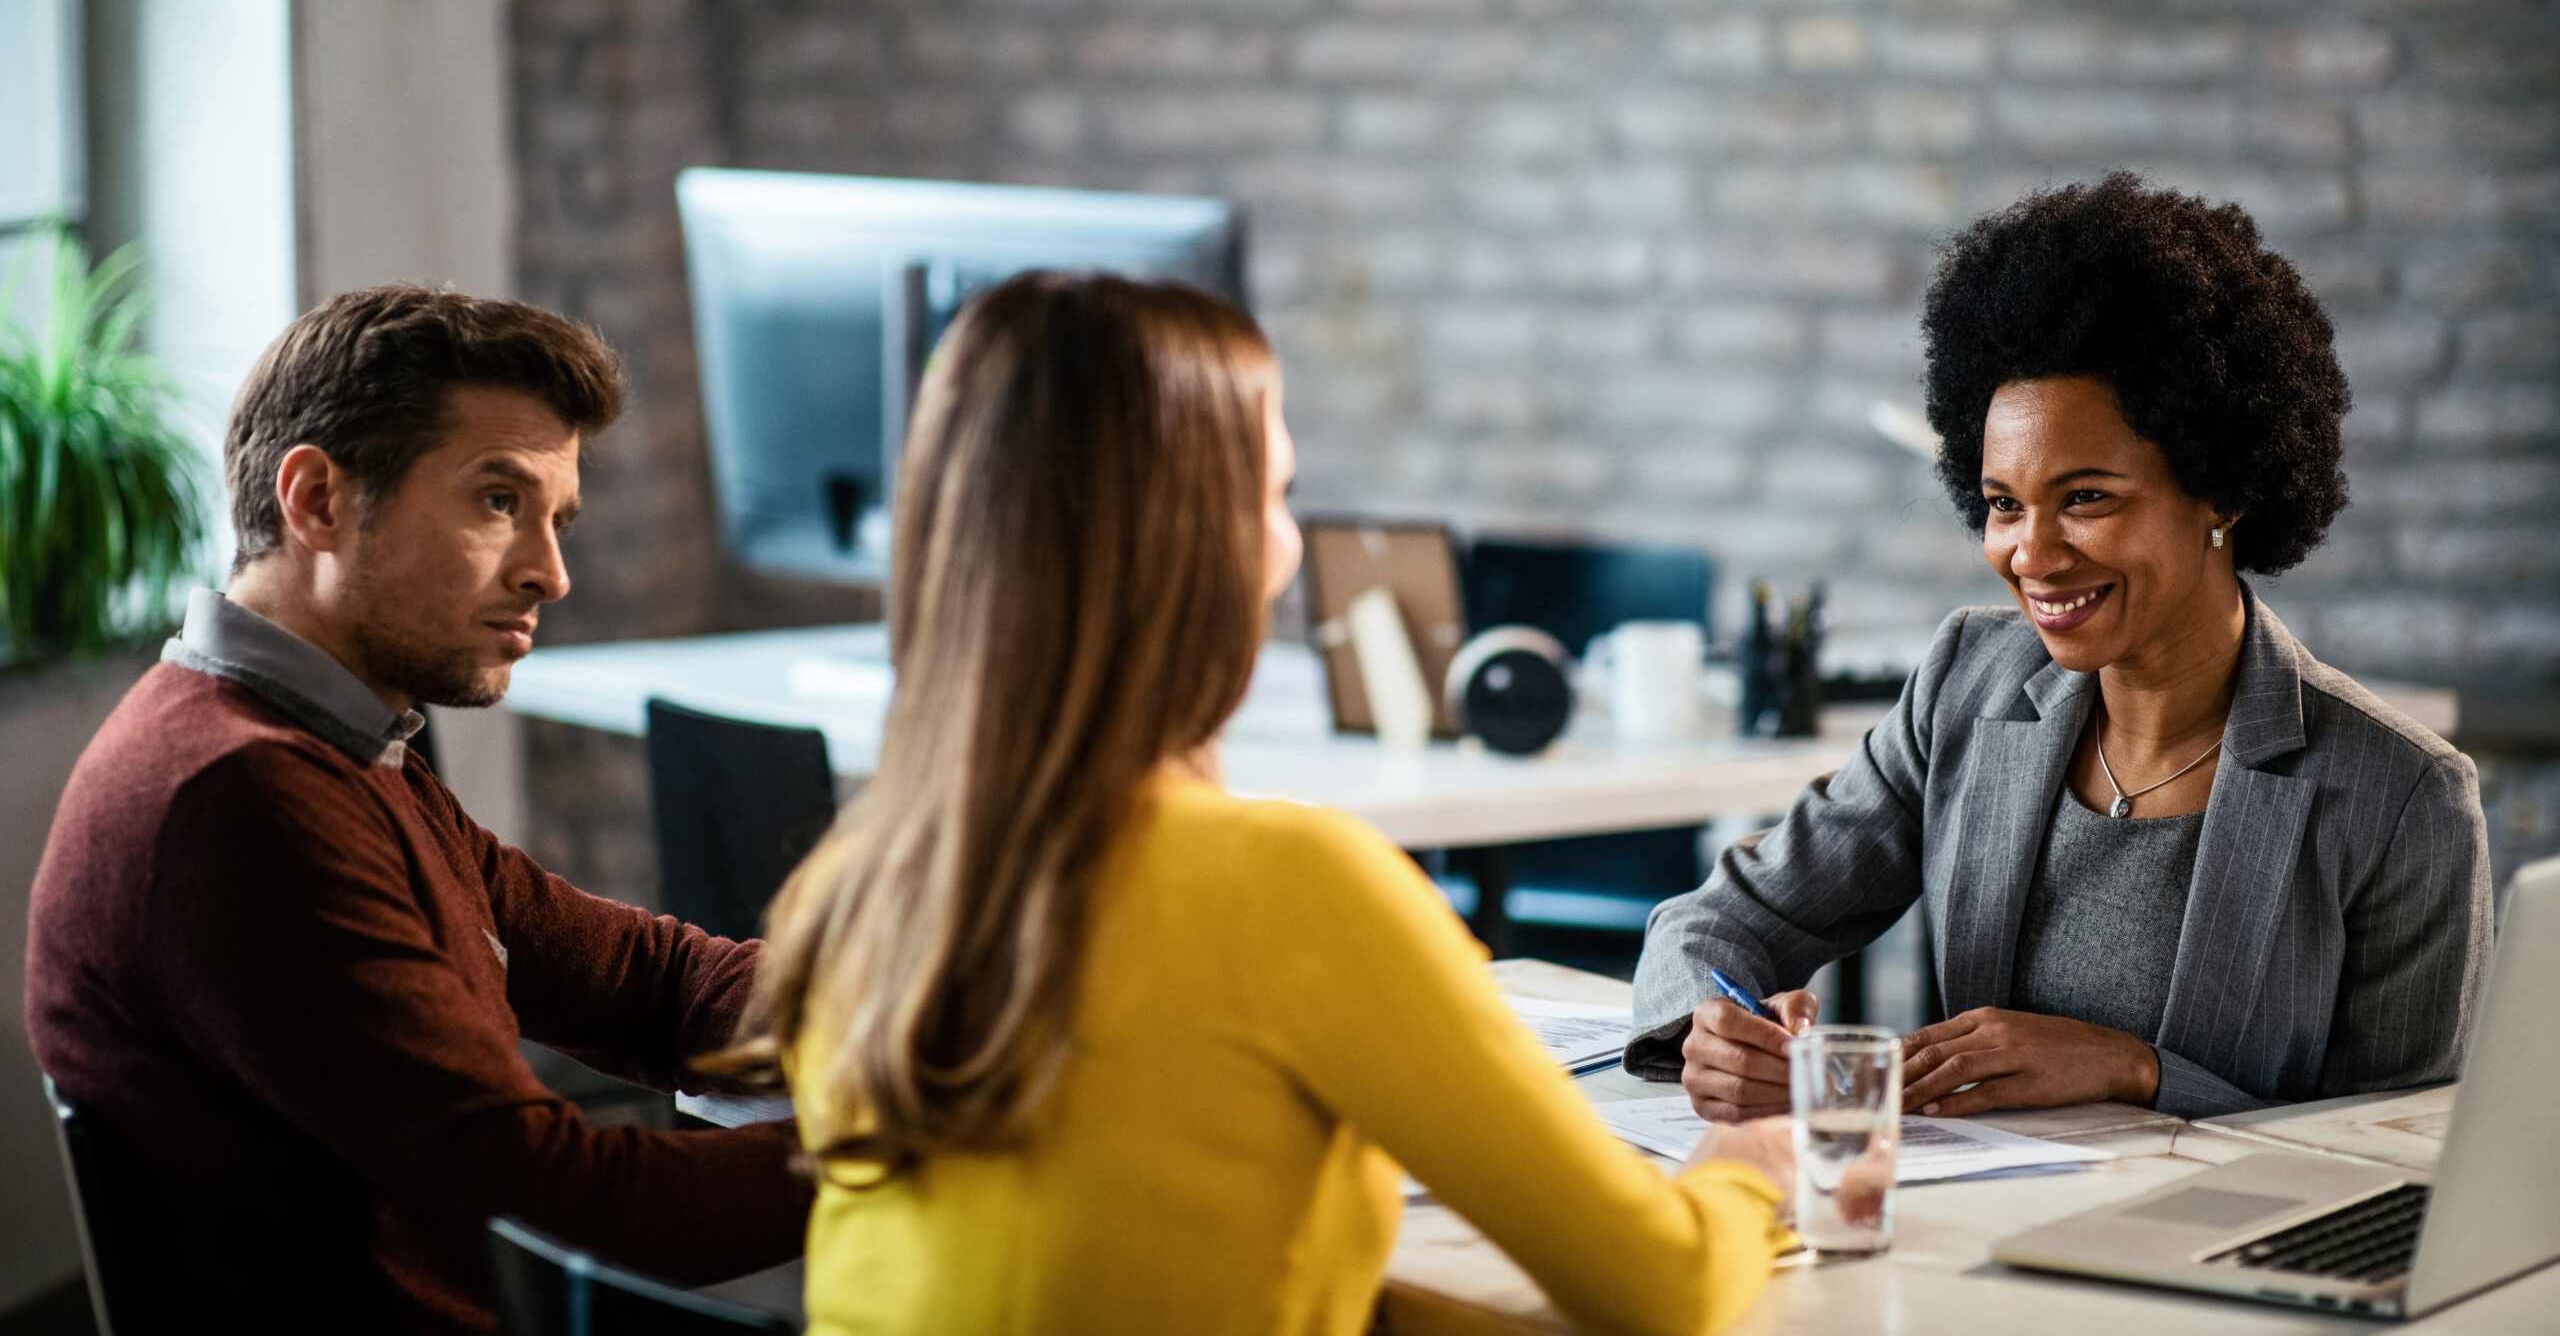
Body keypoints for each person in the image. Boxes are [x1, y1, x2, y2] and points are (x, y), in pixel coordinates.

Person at [726, 272, 1794, 1336]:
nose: (1287, 549)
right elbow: (1664, 1287)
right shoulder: (1284, 883)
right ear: (1189, 544)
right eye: (1274, 495)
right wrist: (1750, 1165)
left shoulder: (861, 880)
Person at [27, 288, 811, 1333]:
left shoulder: (336, 748)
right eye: (499, 501)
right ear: (316, 502)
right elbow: (563, 1203)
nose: (551, 572)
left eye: (556, 519)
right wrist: (908, 1135)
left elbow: (648, 983)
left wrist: (915, 1011)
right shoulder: (237, 798)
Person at [1637, 174, 2493, 1123]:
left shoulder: (2401, 798)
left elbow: (2401, 1153)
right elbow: (1716, 922)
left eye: (2086, 497)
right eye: (2004, 503)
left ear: (2222, 491)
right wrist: (1715, 1025)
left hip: (2205, 1261)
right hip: (1966, 1242)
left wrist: (2140, 1071)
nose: (2031, 555)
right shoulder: (1969, 683)